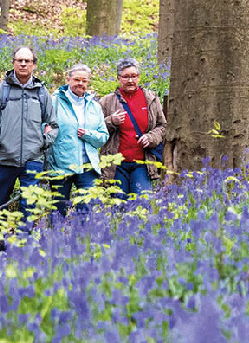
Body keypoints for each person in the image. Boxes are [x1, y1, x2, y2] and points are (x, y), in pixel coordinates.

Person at [0, 46, 58, 247]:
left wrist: (44, 142)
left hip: (33, 159)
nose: (23, 64)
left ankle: (22, 245)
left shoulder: (42, 92)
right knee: (0, 203)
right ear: (13, 63)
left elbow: (54, 125)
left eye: (27, 61)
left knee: (29, 204)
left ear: (34, 65)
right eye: (19, 60)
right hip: (4, 159)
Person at [46, 64, 109, 224]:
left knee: (86, 210)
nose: (80, 83)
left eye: (84, 80)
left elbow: (103, 137)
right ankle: (55, 244)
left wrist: (88, 134)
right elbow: (44, 127)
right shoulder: (55, 101)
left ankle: (81, 244)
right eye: (76, 79)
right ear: (68, 80)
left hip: (87, 166)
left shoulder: (94, 106)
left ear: (88, 83)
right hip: (62, 165)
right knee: (58, 209)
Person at [99, 58, 167, 198]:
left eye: (134, 76)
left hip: (142, 163)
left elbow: (162, 125)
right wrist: (111, 121)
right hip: (116, 163)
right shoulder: (106, 101)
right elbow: (96, 130)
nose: (130, 80)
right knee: (119, 204)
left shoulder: (151, 98)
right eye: (126, 77)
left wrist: (151, 137)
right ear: (118, 78)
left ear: (139, 77)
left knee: (142, 201)